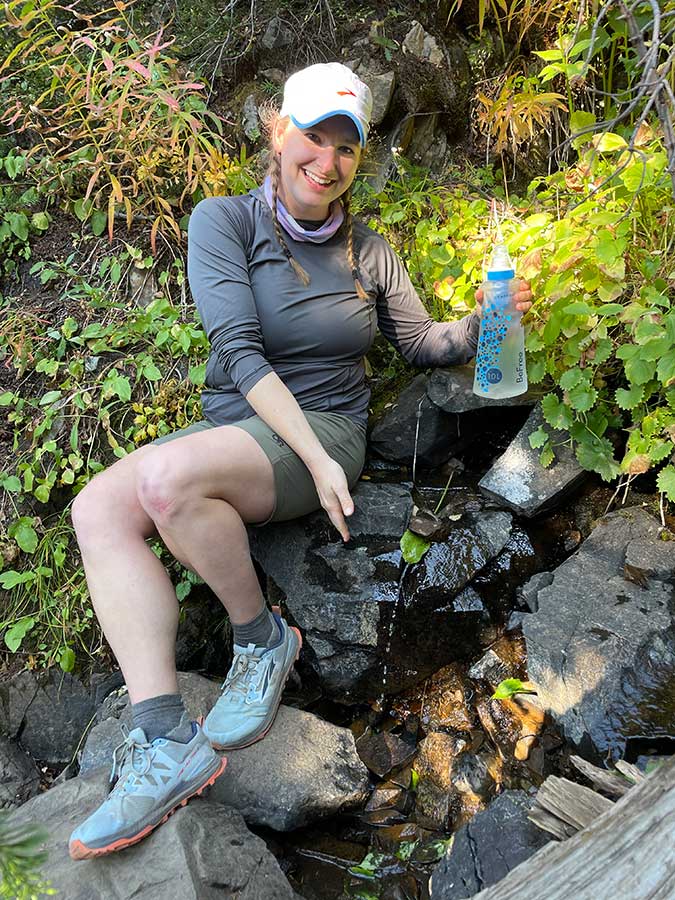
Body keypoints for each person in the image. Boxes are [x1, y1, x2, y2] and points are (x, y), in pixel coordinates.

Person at [68, 62, 533, 859]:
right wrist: (309, 463)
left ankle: (260, 639)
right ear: (278, 136)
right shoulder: (224, 222)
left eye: (346, 147)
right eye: (313, 138)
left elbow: (420, 344)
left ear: (358, 159)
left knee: (167, 484)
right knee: (96, 509)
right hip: (247, 425)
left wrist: (482, 321)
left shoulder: (370, 251)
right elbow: (240, 355)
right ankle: (162, 734)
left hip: (328, 425)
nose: (328, 160)